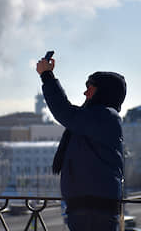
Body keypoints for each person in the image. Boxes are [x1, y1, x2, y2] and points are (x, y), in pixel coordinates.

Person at [36, 56, 126, 231]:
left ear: (103, 92)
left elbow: (65, 112)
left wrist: (47, 76)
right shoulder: (98, 118)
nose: (85, 93)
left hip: (93, 209)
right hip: (89, 206)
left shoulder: (105, 116)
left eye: (90, 88)